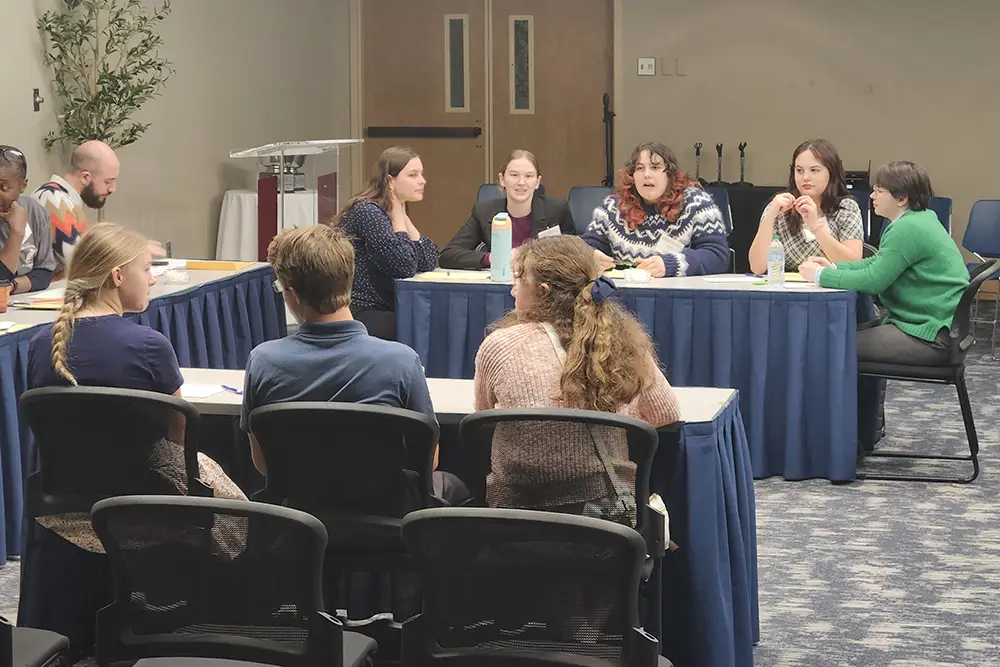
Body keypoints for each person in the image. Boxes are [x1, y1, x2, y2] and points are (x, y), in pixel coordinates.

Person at [21, 222, 245, 655]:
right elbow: (177, 441)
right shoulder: (149, 346)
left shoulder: (39, 345)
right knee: (243, 516)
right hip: (144, 497)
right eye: (147, 268)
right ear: (117, 276)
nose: (154, 277)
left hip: (63, 495)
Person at [241, 223, 469, 504]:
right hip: (385, 523)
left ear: (293, 294)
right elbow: (427, 462)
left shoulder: (263, 362)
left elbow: (263, 464)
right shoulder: (401, 361)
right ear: (348, 278)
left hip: (301, 524)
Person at [473, 235, 680, 525]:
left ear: (542, 291)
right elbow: (666, 413)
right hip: (605, 528)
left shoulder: (499, 346)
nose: (511, 290)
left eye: (519, 279)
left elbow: (483, 418)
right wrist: (610, 411)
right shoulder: (623, 341)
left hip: (514, 521)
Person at [798, 161, 968, 366]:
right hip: (937, 329)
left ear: (901, 198)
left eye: (878, 191)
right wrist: (834, 267)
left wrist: (819, 276)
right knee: (842, 336)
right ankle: (860, 400)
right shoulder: (919, 219)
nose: (871, 196)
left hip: (930, 337)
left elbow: (874, 281)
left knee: (827, 343)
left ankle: (844, 400)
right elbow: (878, 262)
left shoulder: (908, 229)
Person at [333, 146, 438, 341]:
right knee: (425, 330)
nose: (422, 181)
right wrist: (399, 220)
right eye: (413, 175)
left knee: (431, 322)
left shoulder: (390, 210)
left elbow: (429, 261)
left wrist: (404, 218)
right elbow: (404, 266)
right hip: (360, 308)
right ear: (390, 181)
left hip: (385, 305)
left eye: (421, 174)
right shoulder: (368, 211)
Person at [583, 141, 729, 277]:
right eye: (640, 168)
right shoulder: (612, 206)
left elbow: (717, 255)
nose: (646, 175)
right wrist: (591, 256)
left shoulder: (697, 203)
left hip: (678, 296)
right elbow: (586, 247)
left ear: (670, 174)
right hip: (621, 296)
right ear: (632, 176)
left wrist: (672, 264)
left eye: (655, 167)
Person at [439, 150, 576, 269]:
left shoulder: (557, 210)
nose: (521, 182)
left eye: (528, 176)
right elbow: (448, 255)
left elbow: (575, 256)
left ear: (537, 182)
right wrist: (494, 259)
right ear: (502, 179)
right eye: (514, 175)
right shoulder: (484, 211)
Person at [749, 139, 863, 274]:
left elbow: (853, 264)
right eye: (799, 170)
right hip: (789, 289)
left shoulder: (846, 207)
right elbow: (757, 268)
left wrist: (815, 227)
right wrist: (771, 215)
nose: (805, 177)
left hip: (832, 287)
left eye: (814, 170)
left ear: (831, 173)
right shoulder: (780, 207)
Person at [0, 146, 56, 294]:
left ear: (23, 186)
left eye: (3, 187)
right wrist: (17, 232)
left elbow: (44, 273)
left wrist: (12, 286)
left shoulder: (36, 212)